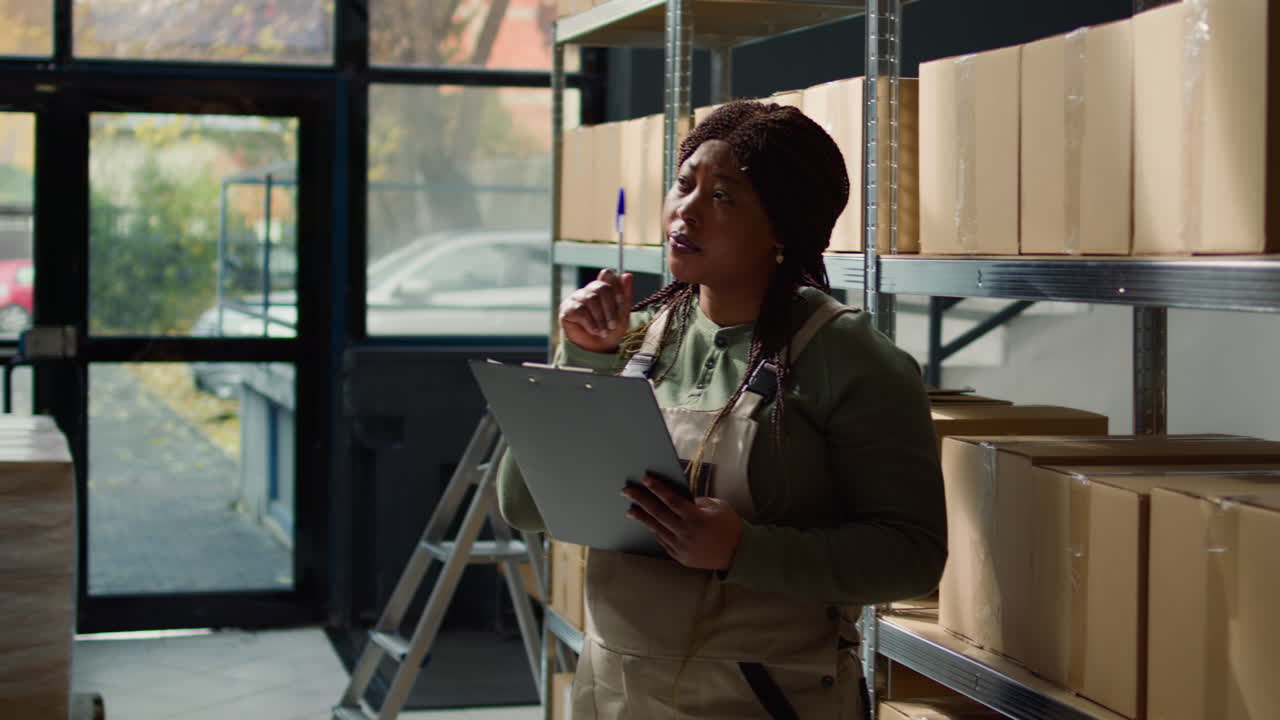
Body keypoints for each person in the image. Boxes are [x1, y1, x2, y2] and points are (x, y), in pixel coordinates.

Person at [498, 99, 946, 719]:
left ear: (783, 228)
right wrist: (579, 359)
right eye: (684, 184)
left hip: (764, 700)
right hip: (617, 694)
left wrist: (746, 550)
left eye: (725, 197)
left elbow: (914, 559)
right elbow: (522, 505)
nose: (686, 210)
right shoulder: (632, 340)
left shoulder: (853, 361)